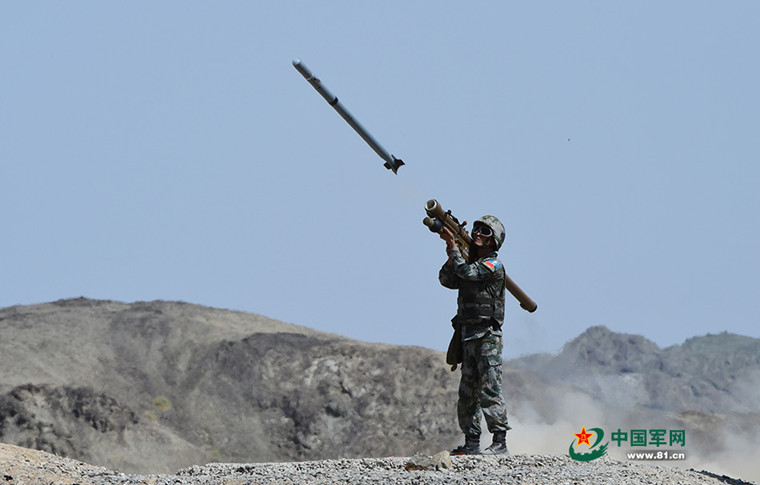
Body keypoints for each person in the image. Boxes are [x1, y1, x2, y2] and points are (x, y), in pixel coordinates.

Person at [438, 215, 510, 455]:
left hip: (487, 337)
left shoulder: (492, 266)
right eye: (477, 229)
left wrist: (455, 248)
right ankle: (471, 443)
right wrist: (452, 251)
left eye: (485, 232)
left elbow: (467, 272)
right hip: (467, 335)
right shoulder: (468, 263)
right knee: (467, 393)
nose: (477, 233)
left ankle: (499, 443)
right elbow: (447, 280)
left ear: (494, 243)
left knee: (490, 389)